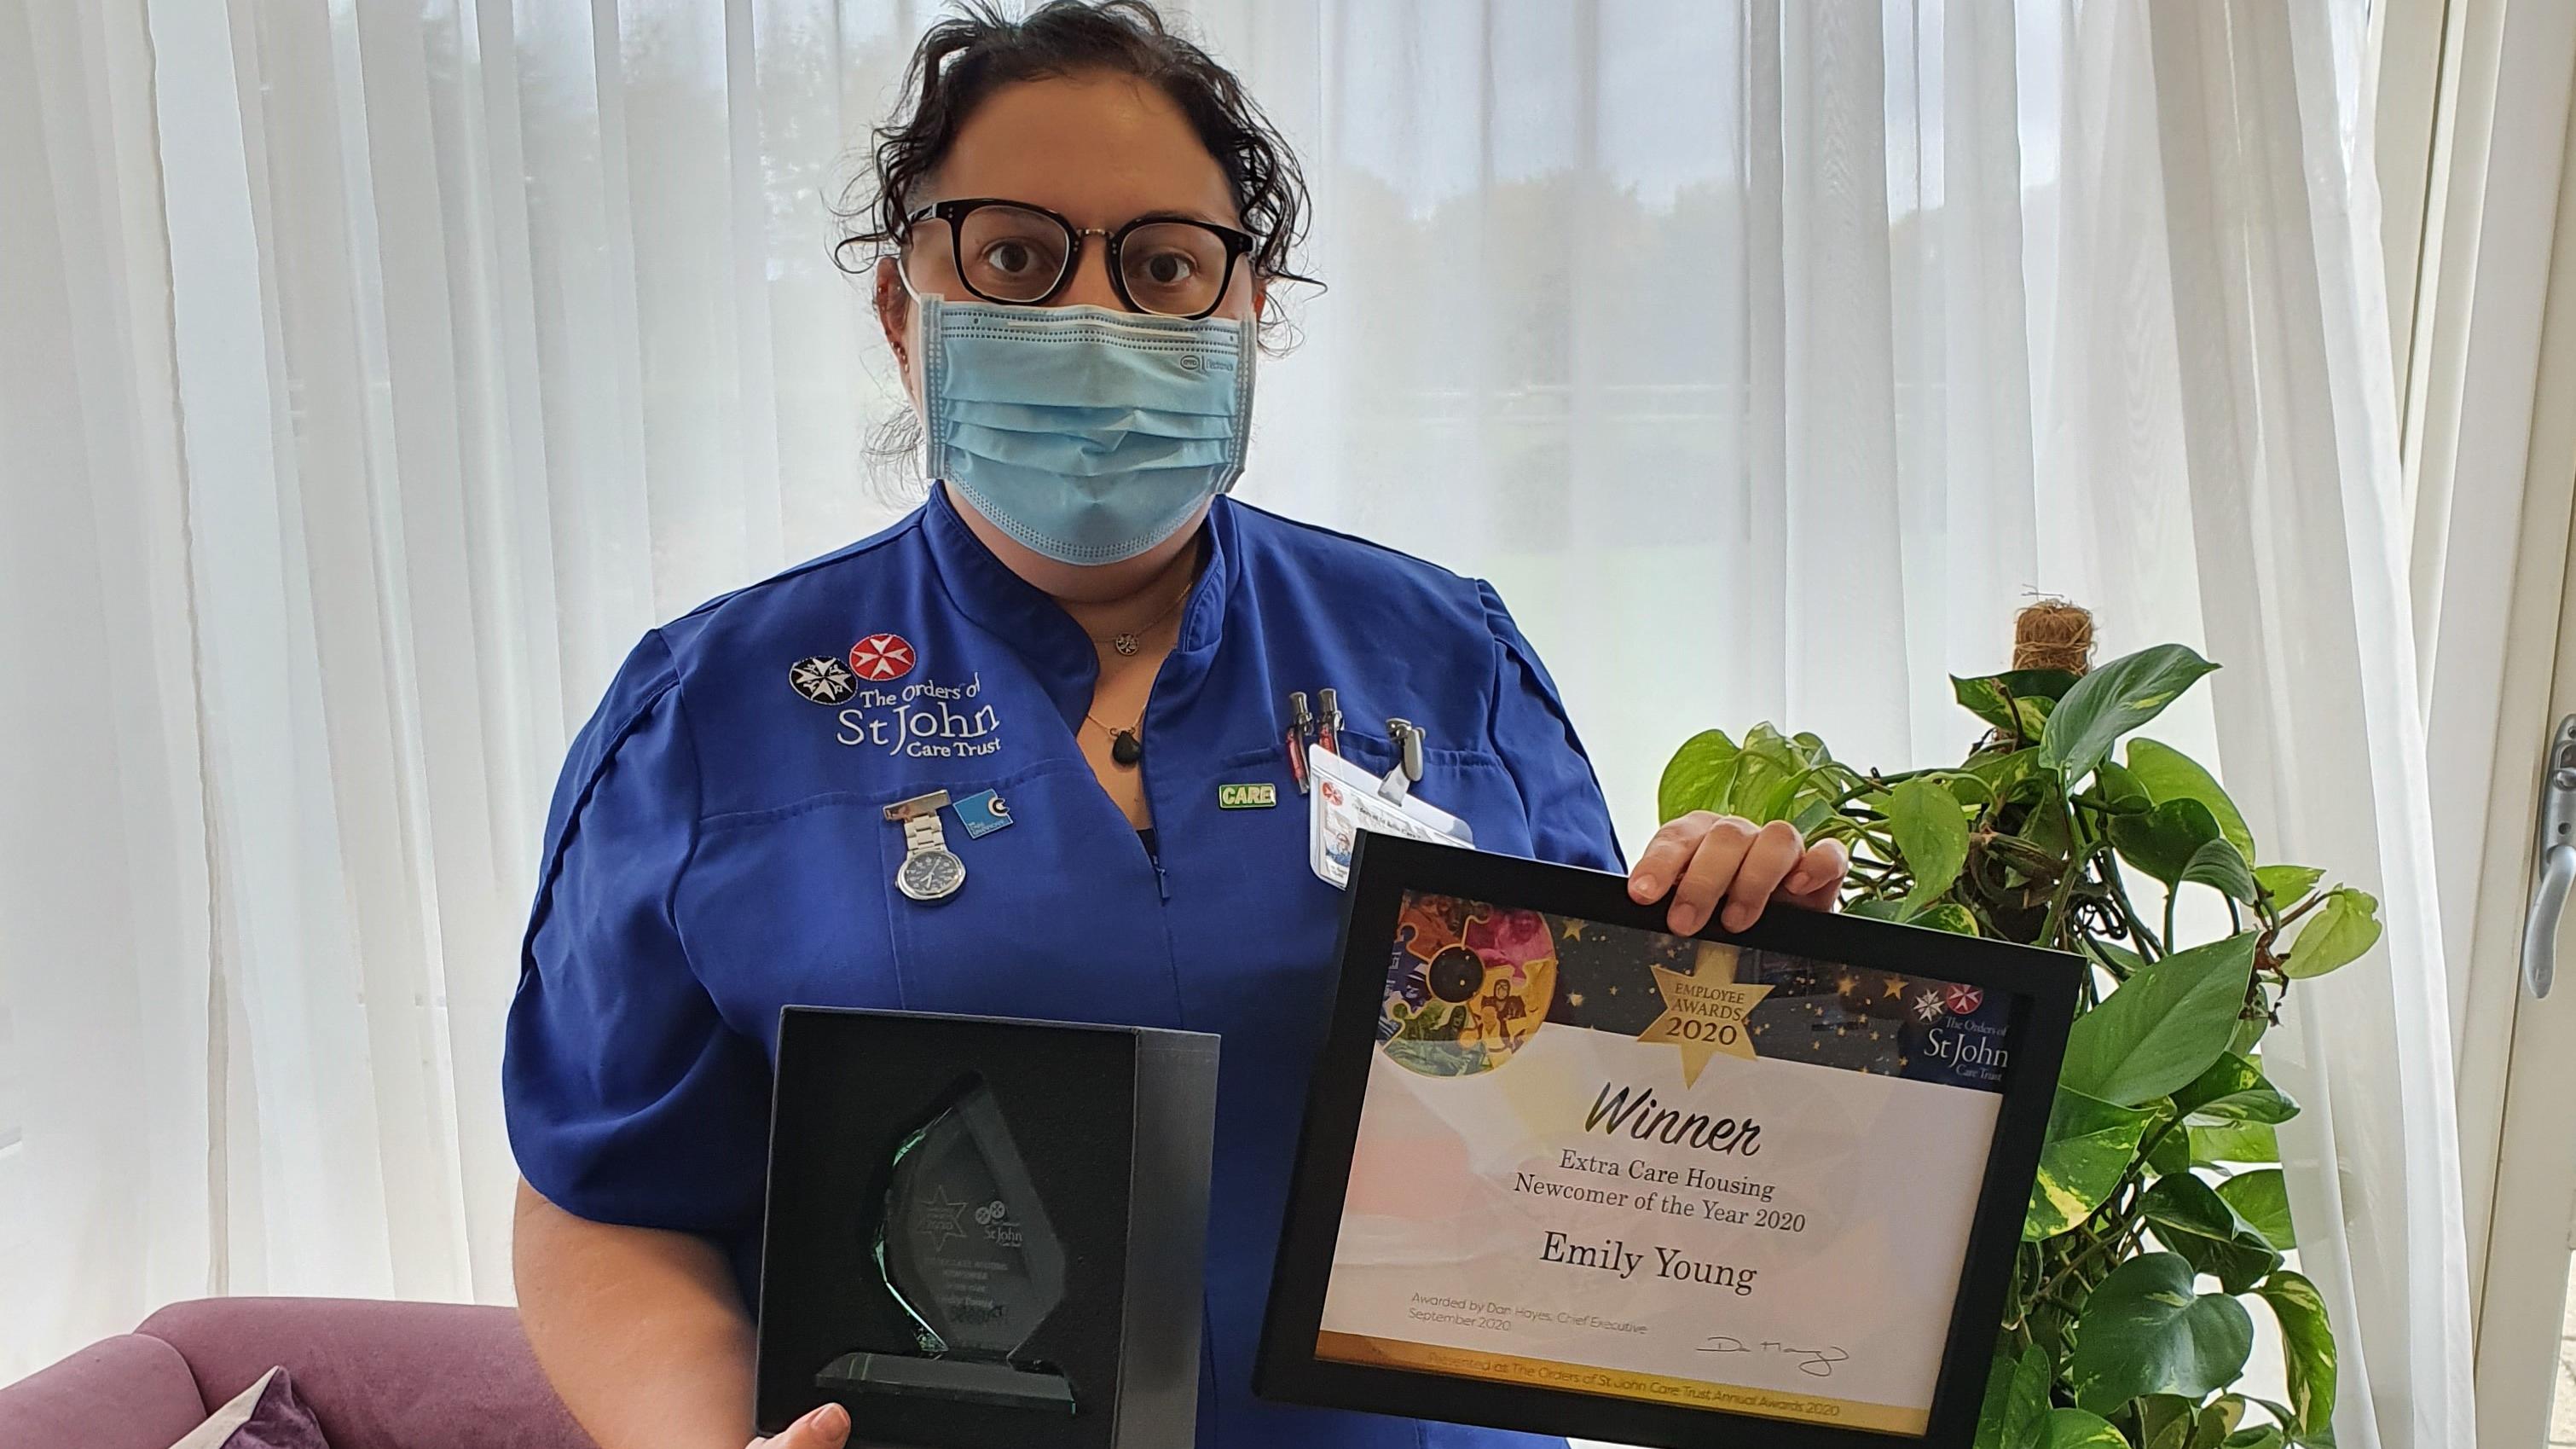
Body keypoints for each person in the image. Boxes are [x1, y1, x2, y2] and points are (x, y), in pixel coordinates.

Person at [501, 5, 1850, 1448]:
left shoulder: (1445, 658)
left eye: (1160, 264)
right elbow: (607, 1200)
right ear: (904, 312)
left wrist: (1734, 946)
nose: (1094, 318)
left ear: (1247, 306)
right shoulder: (711, 714)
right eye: (1015, 255)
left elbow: (1590, 1134)